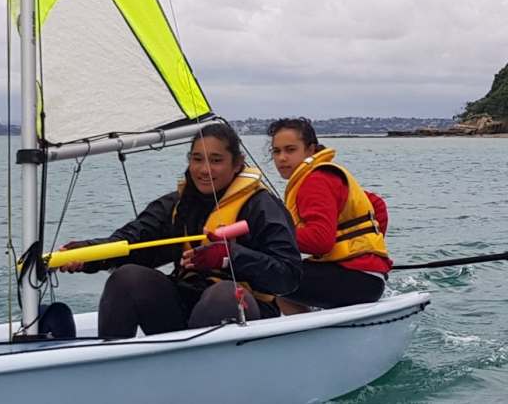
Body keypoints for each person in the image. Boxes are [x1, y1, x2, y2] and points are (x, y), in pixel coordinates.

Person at [60, 123, 301, 338]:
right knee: (128, 278)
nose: (204, 170)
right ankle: (108, 370)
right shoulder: (177, 205)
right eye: (197, 159)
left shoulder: (262, 206)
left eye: (216, 160)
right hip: (185, 308)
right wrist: (87, 254)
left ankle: (195, 374)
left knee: (224, 295)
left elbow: (287, 277)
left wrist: (229, 256)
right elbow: (132, 241)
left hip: (246, 313)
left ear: (236, 164)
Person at [268, 117, 392, 313]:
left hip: (357, 280)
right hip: (371, 277)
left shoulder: (314, 181)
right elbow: (377, 205)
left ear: (310, 150)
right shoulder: (325, 176)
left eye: (290, 150)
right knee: (281, 281)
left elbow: (319, 242)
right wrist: (372, 257)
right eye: (276, 151)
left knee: (268, 275)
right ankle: (311, 330)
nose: (282, 158)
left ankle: (308, 340)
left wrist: (268, 235)